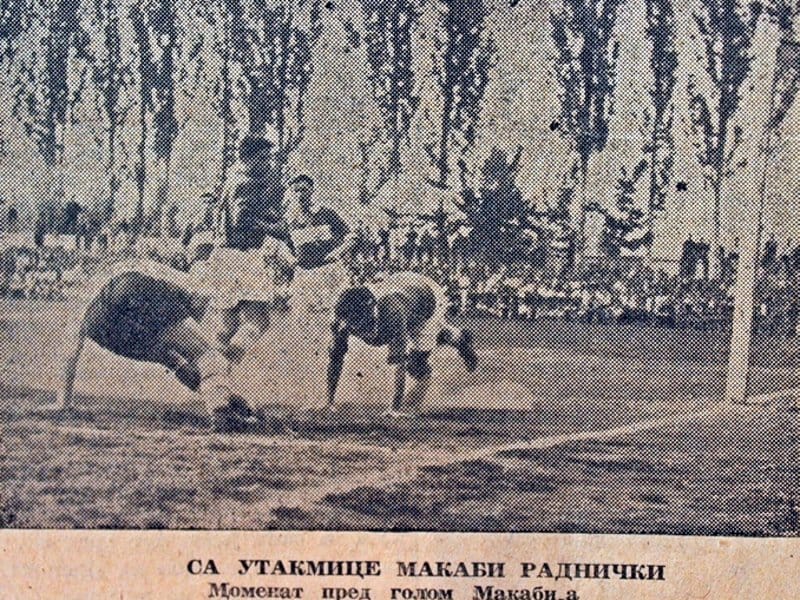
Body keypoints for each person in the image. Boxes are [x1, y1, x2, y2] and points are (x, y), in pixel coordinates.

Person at [49, 267, 263, 432]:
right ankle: (222, 414)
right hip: (132, 287)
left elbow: (70, 351)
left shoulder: (91, 293)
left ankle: (222, 405)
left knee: (171, 360)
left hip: (102, 328)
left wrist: (63, 402)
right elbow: (198, 308)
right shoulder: (184, 281)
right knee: (209, 358)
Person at [326, 272, 478, 416]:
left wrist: (395, 407)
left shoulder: (392, 312)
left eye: (364, 324)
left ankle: (460, 340)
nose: (362, 331)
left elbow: (400, 362)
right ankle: (456, 335)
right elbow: (336, 359)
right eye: (354, 325)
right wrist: (330, 402)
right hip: (405, 291)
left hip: (426, 299)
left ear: (372, 313)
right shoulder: (342, 321)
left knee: (415, 365)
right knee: (422, 337)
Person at [285, 174, 353, 313]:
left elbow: (351, 236)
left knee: (334, 316)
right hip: (304, 276)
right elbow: (282, 245)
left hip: (328, 272)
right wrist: (290, 259)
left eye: (303, 190)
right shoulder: (289, 219)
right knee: (305, 320)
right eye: (296, 190)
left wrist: (338, 252)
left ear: (312, 191)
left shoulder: (325, 213)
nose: (299, 194)